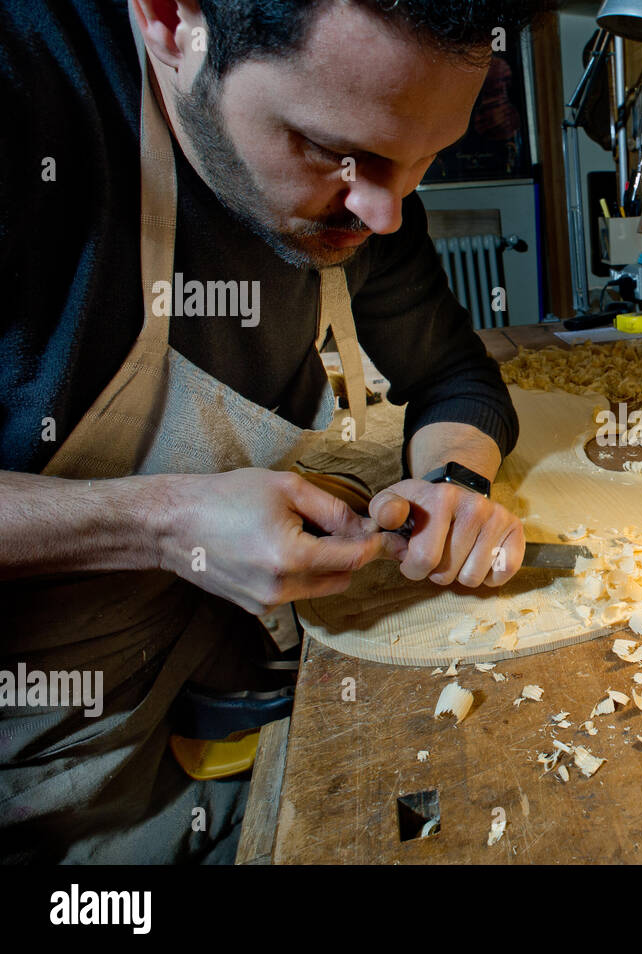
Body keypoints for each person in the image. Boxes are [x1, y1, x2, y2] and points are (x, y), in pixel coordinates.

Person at [0, 0, 548, 862]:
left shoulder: (374, 191)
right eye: (337, 152)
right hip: (45, 734)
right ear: (173, 22)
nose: (383, 214)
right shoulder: (24, 89)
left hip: (220, 654)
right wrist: (163, 522)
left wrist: (455, 490)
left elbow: (454, 378)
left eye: (422, 162)